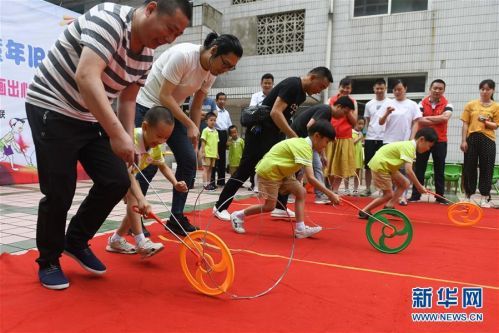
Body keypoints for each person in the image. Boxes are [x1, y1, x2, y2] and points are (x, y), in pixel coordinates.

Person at [24, 0, 191, 290]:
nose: (169, 38)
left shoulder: (147, 56)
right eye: (169, 28)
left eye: (177, 35)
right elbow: (86, 76)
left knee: (115, 179)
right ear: (151, 9)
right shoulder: (110, 20)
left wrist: (127, 141)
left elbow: (127, 101)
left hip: (91, 114)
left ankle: (75, 241)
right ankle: (49, 260)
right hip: (52, 105)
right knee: (60, 189)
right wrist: (116, 134)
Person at [134, 32, 243, 236]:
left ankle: (176, 217)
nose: (225, 70)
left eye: (231, 67)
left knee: (188, 159)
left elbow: (196, 104)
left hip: (172, 112)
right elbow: (164, 96)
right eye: (225, 63)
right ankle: (135, 217)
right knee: (147, 165)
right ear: (213, 51)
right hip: (148, 107)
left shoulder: (211, 71)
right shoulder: (183, 56)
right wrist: (189, 124)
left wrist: (193, 130)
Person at [213, 67, 334, 221]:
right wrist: (294, 137)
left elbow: (283, 115)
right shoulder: (293, 85)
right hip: (260, 132)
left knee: (283, 168)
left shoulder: (301, 94)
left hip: (274, 134)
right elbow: (275, 112)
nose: (319, 91)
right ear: (313, 77)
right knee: (245, 169)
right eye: (321, 86)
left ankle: (280, 207)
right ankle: (220, 206)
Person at [230, 120, 340, 238]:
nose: (325, 146)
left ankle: (300, 229)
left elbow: (300, 170)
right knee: (269, 206)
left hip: (283, 173)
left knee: (301, 192)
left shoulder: (306, 145)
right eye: (326, 142)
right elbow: (311, 178)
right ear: (317, 136)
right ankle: (238, 215)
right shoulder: (304, 147)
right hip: (269, 172)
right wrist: (330, 194)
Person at [106, 107, 187, 257]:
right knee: (135, 199)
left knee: (135, 207)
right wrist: (141, 198)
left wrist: (175, 183)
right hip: (112, 170)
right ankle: (141, 242)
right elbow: (127, 173)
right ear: (144, 127)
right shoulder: (132, 139)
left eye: (166, 138)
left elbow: (162, 165)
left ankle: (116, 240)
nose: (162, 141)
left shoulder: (156, 146)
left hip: (126, 174)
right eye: (159, 136)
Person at [358, 128, 438, 219]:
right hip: (381, 165)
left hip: (387, 165)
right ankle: (364, 211)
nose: (428, 149)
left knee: (405, 183)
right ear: (421, 139)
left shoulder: (409, 146)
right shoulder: (409, 147)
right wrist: (419, 187)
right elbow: (409, 171)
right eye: (429, 146)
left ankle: (389, 205)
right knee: (388, 194)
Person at [290, 97, 354, 204]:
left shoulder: (327, 114)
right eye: (345, 112)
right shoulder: (325, 110)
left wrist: (322, 154)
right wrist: (312, 148)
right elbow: (310, 125)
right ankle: (315, 195)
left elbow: (318, 133)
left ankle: (297, 194)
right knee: (305, 167)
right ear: (338, 107)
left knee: (312, 166)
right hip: (300, 139)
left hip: (304, 140)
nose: (344, 116)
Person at [409, 79, 453, 204]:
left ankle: (440, 197)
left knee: (440, 169)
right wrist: (438, 119)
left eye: (440, 89)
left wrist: (427, 118)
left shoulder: (448, 104)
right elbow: (419, 120)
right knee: (419, 168)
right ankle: (415, 195)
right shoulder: (421, 103)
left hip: (440, 141)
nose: (437, 91)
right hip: (423, 141)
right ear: (430, 88)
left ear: (444, 90)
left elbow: (445, 118)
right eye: (435, 88)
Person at [379, 79, 421, 205]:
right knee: (390, 170)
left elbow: (416, 122)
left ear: (405, 89)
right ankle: (389, 194)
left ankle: (403, 196)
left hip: (404, 142)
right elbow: (380, 122)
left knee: (404, 169)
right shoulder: (388, 103)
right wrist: (387, 113)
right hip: (389, 140)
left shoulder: (412, 104)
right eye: (395, 90)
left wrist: (412, 138)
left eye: (400, 89)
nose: (397, 92)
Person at [461, 79, 499, 208]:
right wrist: (463, 140)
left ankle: (484, 197)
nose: (484, 91)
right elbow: (465, 123)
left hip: (488, 139)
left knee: (487, 168)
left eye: (487, 89)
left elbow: (496, 125)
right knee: (469, 167)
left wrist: (486, 122)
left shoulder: (496, 106)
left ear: (492, 90)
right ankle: (468, 195)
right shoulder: (471, 105)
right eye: (482, 89)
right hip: (472, 138)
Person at [324, 78, 358, 194]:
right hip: (330, 137)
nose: (345, 90)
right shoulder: (331, 100)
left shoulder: (353, 102)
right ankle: (328, 189)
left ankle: (335, 190)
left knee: (340, 166)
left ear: (351, 89)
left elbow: (355, 123)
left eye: (348, 88)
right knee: (328, 165)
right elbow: (325, 117)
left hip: (345, 138)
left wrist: (348, 111)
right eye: (343, 87)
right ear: (339, 87)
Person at [362, 78, 389, 197]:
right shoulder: (369, 104)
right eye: (377, 88)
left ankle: (384, 189)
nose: (379, 90)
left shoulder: (390, 103)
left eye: (381, 88)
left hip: (385, 138)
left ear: (385, 89)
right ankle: (368, 188)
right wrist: (365, 135)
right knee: (368, 165)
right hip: (371, 138)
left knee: (384, 166)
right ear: (374, 89)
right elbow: (367, 122)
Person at [248, 73, 275, 190]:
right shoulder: (255, 96)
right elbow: (252, 111)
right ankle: (255, 184)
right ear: (261, 83)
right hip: (256, 131)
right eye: (265, 83)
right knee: (256, 157)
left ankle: (267, 184)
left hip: (270, 131)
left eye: (269, 83)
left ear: (273, 84)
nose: (267, 85)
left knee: (268, 157)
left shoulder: (276, 96)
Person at [212, 92, 232, 186]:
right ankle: (212, 181)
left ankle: (221, 181)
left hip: (224, 134)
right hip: (215, 134)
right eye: (220, 99)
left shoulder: (226, 112)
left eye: (224, 99)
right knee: (214, 158)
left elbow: (229, 126)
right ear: (216, 100)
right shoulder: (214, 111)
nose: (222, 101)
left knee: (222, 159)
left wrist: (229, 138)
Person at [201, 112, 219, 191]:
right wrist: (203, 152)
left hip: (213, 154)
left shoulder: (216, 131)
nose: (213, 122)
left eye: (214, 120)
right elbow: (203, 142)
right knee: (206, 169)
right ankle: (205, 185)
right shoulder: (205, 130)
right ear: (206, 121)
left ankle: (209, 184)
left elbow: (216, 143)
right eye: (211, 120)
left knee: (211, 169)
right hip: (207, 153)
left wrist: (217, 153)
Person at [351, 118, 365, 196]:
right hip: (352, 154)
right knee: (347, 172)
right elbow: (352, 142)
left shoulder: (360, 133)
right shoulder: (351, 132)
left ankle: (355, 189)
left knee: (357, 172)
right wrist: (359, 137)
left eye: (362, 124)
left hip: (358, 155)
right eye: (359, 123)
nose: (360, 126)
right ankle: (346, 188)